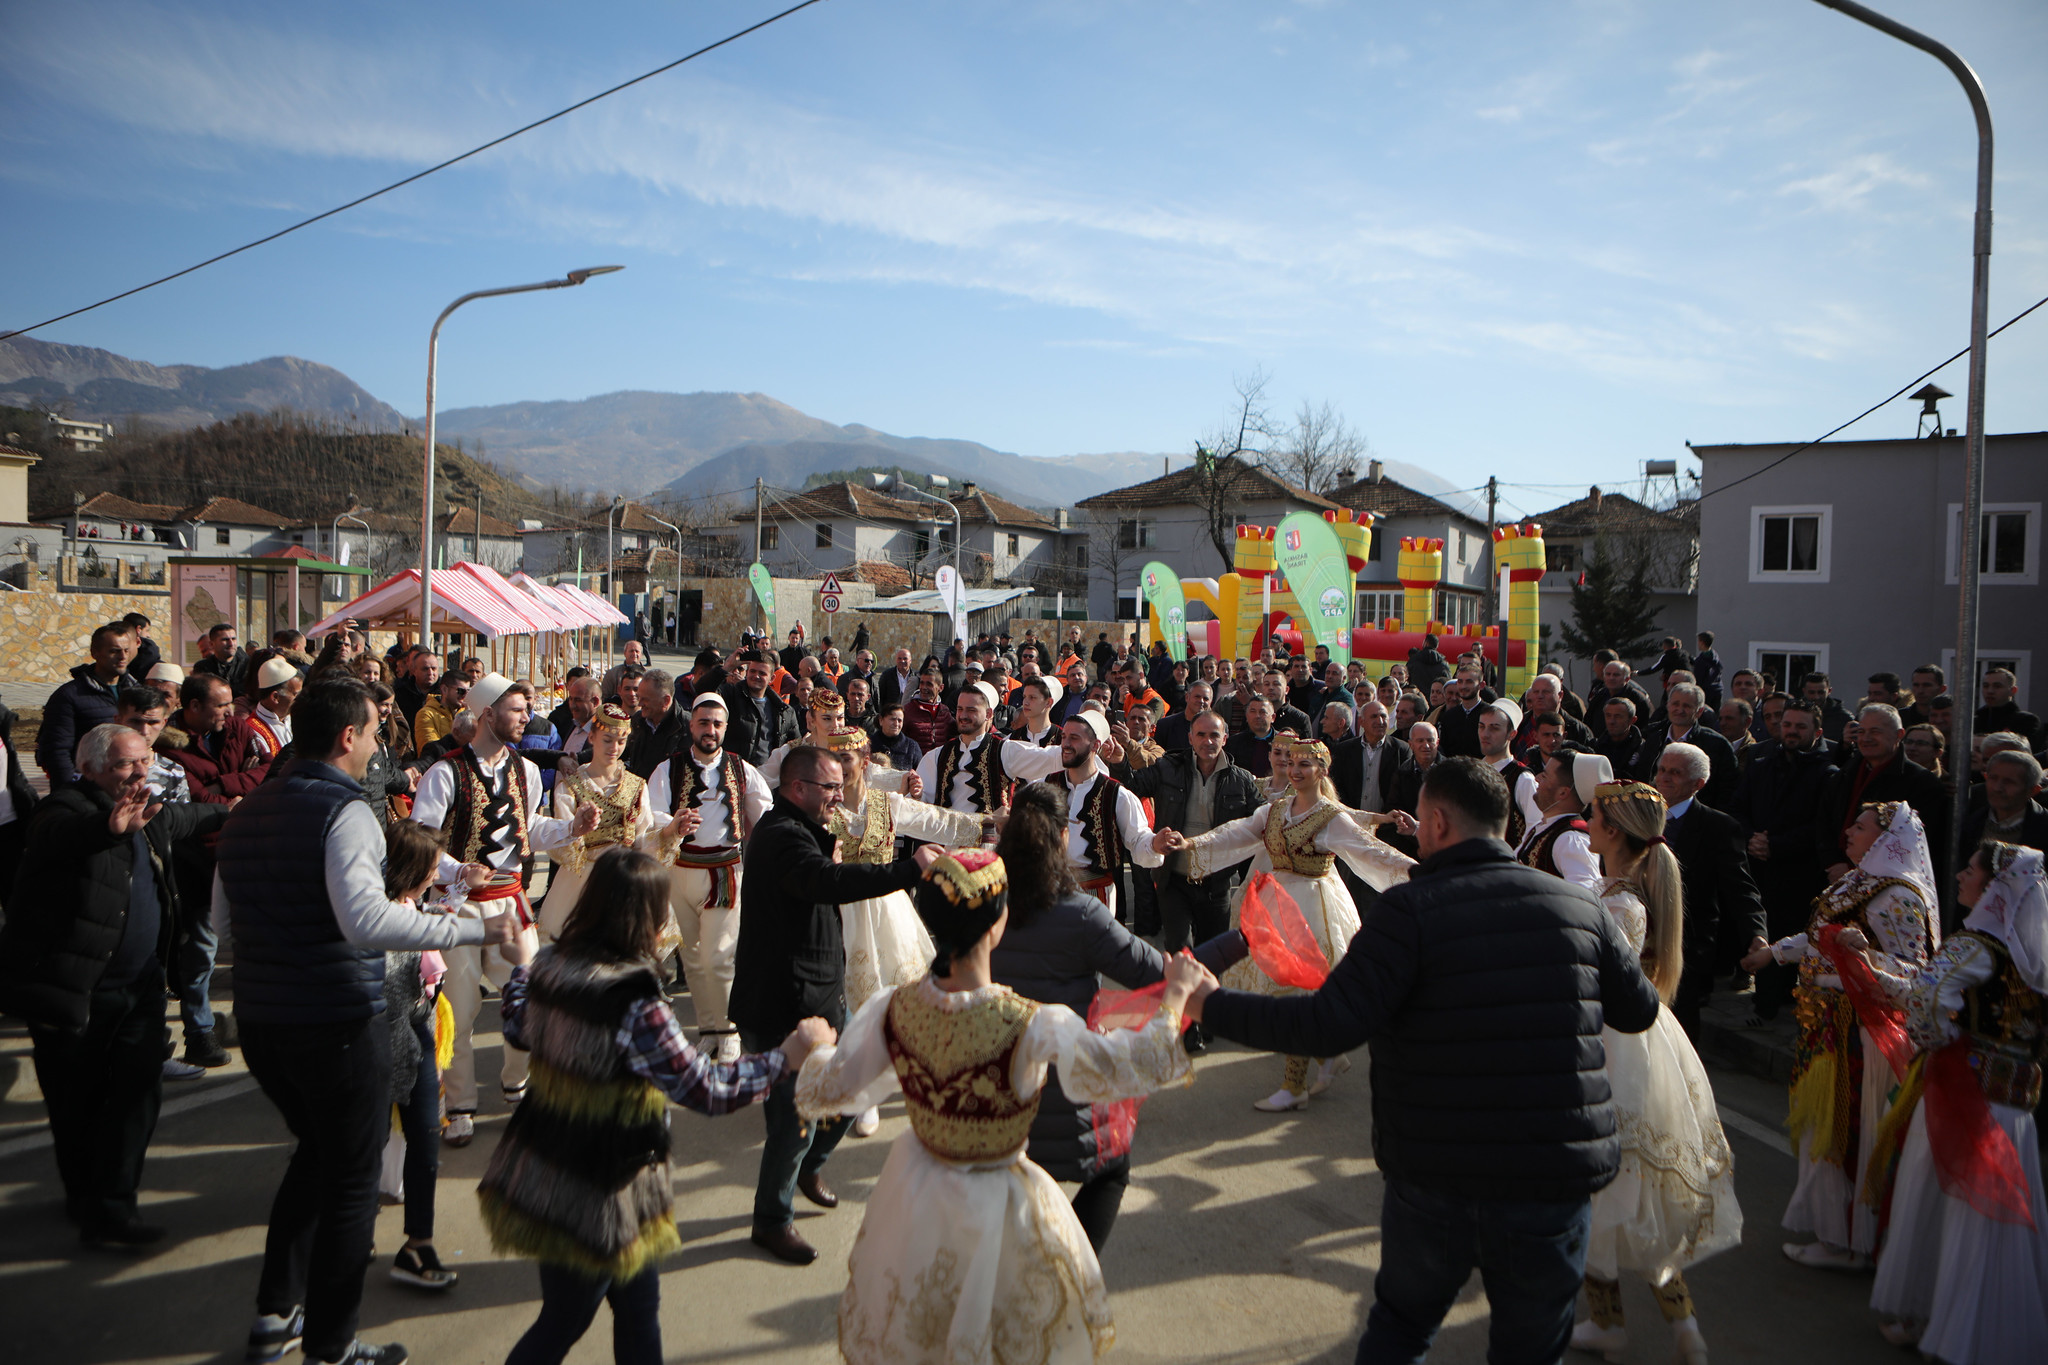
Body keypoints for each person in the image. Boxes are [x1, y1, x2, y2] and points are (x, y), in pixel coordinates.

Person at [1182, 757, 1663, 1364]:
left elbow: (1325, 1024)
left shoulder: (1408, 913)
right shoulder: (1581, 908)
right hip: (1554, 1167)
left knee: (1405, 1328)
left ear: (1435, 821)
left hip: (1440, 1166)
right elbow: (1638, 1011)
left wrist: (1210, 1004)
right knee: (1533, 1345)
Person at [213, 680, 525, 1365]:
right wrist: (472, 925)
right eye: (374, 731)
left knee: (316, 1159)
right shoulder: (346, 810)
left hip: (265, 1020)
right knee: (351, 1180)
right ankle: (331, 1342)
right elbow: (364, 920)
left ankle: (275, 1313)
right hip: (335, 1020)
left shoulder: (248, 810)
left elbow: (222, 923)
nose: (378, 744)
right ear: (347, 736)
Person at [794, 847, 1204, 1359]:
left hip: (915, 1194)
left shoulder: (892, 1008)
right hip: (998, 1201)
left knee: (920, 1325)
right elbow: (1127, 1065)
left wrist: (815, 1047)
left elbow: (827, 1089)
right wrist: (1175, 997)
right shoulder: (1030, 1022)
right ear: (998, 924)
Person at [482, 848, 826, 1365]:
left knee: (639, 1307)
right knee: (564, 1319)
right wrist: (786, 1057)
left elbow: (516, 1024)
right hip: (601, 1187)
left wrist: (520, 967)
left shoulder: (552, 966)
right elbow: (704, 1088)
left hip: (552, 1162)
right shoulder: (636, 1002)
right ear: (646, 916)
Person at [0, 724, 226, 1247]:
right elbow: (59, 837)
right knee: (76, 1103)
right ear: (91, 768)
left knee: (136, 1094)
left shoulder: (148, 813)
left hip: (140, 987)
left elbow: (192, 816)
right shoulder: (64, 809)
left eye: (144, 761)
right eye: (126, 765)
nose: (140, 772)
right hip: (74, 989)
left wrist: (240, 810)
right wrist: (109, 827)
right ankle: (89, 1198)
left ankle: (112, 1207)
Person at [730, 746, 938, 1266]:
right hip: (785, 1009)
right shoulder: (781, 838)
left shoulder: (804, 831)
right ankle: (772, 1221)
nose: (839, 796)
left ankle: (808, 1166)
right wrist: (909, 869)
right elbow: (830, 884)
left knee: (856, 1087)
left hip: (822, 997)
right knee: (792, 1123)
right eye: (829, 787)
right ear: (797, 788)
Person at [1570, 780, 1740, 1364]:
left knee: (1602, 1183)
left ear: (1612, 830)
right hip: (1646, 1042)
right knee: (1632, 1190)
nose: (1586, 821)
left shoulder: (1618, 904)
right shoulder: (1621, 893)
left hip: (1609, 1045)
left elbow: (1588, 983)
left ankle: (1611, 1323)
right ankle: (1680, 1326)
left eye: (1592, 814)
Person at [1859, 841, 2048, 1358]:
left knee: (1940, 1199)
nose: (1961, 875)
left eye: (1969, 869)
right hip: (2017, 1105)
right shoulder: (2037, 956)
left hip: (1965, 1096)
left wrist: (1936, 1040)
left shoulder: (1976, 944)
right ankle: (1977, 1327)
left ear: (1993, 888)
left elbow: (1925, 1000)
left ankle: (1934, 1318)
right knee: (1994, 1216)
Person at [1160, 735, 1416, 1112]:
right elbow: (1240, 831)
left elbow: (1373, 852)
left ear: (1321, 770)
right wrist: (1192, 844)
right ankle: (1326, 1054)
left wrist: (1425, 874)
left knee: (1301, 989)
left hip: (1314, 906)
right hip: (1276, 902)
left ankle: (1294, 1084)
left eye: (1304, 765)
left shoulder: (1331, 817)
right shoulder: (1276, 810)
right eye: (1291, 763)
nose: (1294, 771)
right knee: (1279, 986)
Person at [1739, 801, 1939, 1270]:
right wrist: (1777, 954)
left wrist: (1864, 957)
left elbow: (1917, 972)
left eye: (1861, 825)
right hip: (1827, 1020)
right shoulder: (1858, 880)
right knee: (1823, 1127)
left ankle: (1851, 1238)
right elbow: (1821, 935)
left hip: (1857, 1026)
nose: (1849, 830)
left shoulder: (1898, 896)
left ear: (1887, 839)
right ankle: (1836, 1230)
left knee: (1846, 1128)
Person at [410, 674, 598, 1144]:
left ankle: (517, 1082)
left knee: (533, 1001)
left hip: (510, 903)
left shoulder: (526, 770)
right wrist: (457, 872)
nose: (526, 717)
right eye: (517, 709)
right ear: (487, 714)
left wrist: (571, 827)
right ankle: (459, 1104)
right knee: (460, 1008)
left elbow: (528, 828)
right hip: (456, 909)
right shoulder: (445, 772)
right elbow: (421, 842)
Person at [815, 724, 987, 1135]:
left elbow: (938, 822)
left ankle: (871, 1090)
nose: (839, 767)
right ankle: (849, 1081)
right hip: (836, 912)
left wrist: (987, 822)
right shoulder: (821, 808)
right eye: (833, 758)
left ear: (864, 758)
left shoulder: (886, 804)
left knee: (886, 1000)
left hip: (886, 912)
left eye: (847, 758)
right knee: (844, 1001)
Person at [374, 821, 460, 1292]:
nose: (435, 875)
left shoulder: (410, 905)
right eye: (430, 868)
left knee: (426, 1143)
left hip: (421, 1037)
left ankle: (417, 1244)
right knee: (368, 1142)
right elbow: (391, 995)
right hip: (391, 1045)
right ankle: (354, 1228)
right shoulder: (377, 916)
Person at [1114, 709, 1263, 968]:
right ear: (1190, 738)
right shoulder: (1167, 768)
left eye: (1214, 735)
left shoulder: (1242, 781)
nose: (1208, 741)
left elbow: (1263, 821)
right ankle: (1181, 1004)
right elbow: (1132, 785)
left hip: (1216, 884)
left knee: (1213, 958)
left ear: (1225, 738)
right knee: (1179, 953)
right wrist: (1118, 762)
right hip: (1174, 879)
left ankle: (1206, 1006)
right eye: (1201, 735)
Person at [1730, 700, 1842, 1022]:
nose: (1791, 731)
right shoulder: (1762, 765)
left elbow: (1822, 827)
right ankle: (1764, 1007)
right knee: (1765, 932)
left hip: (1801, 873)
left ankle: (1788, 1006)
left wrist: (1776, 844)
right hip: (1761, 869)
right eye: (1787, 725)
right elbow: (1738, 807)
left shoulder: (1828, 774)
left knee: (1792, 937)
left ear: (1817, 732)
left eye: (1800, 726)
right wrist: (1752, 837)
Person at [1653, 742, 1767, 1037]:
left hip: (1686, 941)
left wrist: (1756, 933)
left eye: (1675, 772)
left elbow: (1740, 887)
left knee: (1679, 1027)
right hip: (1640, 933)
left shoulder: (1718, 827)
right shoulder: (1640, 814)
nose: (1664, 777)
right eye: (1662, 769)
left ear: (1698, 783)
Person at [533, 704, 657, 940]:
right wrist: (579, 830)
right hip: (582, 881)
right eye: (607, 740)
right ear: (591, 737)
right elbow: (562, 842)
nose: (614, 747)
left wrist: (670, 833)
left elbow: (643, 835)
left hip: (624, 878)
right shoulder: (571, 786)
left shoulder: (637, 785)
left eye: (621, 741)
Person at [38, 621, 141, 786]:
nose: (123, 657)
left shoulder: (136, 691)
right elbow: (57, 751)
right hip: (86, 792)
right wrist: (70, 791)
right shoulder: (69, 696)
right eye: (114, 651)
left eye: (126, 650)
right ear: (95, 653)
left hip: (127, 786)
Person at [1632, 682, 1738, 811]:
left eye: (1686, 706)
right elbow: (1641, 778)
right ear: (1668, 706)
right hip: (1654, 815)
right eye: (1675, 704)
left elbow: (1727, 790)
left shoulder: (1717, 745)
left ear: (1699, 711)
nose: (1680, 710)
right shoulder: (1653, 739)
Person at [1516, 749, 1608, 892]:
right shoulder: (1546, 827)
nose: (1537, 778)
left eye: (1545, 776)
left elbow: (1584, 898)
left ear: (1563, 792)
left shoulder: (1572, 840)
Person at [718, 649, 799, 766]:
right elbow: (702, 693)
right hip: (734, 773)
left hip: (767, 779)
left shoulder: (785, 711)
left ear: (772, 678)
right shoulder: (730, 696)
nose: (756, 676)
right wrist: (726, 667)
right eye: (753, 671)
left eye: (762, 673)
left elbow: (795, 749)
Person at [1963, 747, 2048, 854]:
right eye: (1993, 778)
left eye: (2009, 782)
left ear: (2033, 790)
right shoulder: (1971, 822)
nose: (1998, 788)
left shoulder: (2043, 828)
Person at [621, 669, 685, 780]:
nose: (640, 704)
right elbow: (620, 748)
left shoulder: (688, 728)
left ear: (666, 701)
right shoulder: (638, 721)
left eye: (645, 699)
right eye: (639, 697)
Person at [1976, 666, 2042, 752]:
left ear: (2013, 690)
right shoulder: (1975, 719)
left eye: (1997, 686)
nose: (1990, 691)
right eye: (1986, 686)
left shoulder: (2026, 721)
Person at [411, 672, 470, 754]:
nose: (465, 695)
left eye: (468, 691)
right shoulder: (426, 714)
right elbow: (431, 750)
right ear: (444, 689)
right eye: (461, 691)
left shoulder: (468, 714)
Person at [195, 623, 251, 698]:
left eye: (233, 639)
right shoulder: (203, 668)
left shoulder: (249, 665)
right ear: (212, 644)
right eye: (225, 640)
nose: (231, 643)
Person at [598, 639, 648, 705]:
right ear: (625, 653)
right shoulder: (612, 673)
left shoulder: (647, 675)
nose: (634, 654)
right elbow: (604, 696)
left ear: (641, 654)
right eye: (631, 651)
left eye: (637, 651)